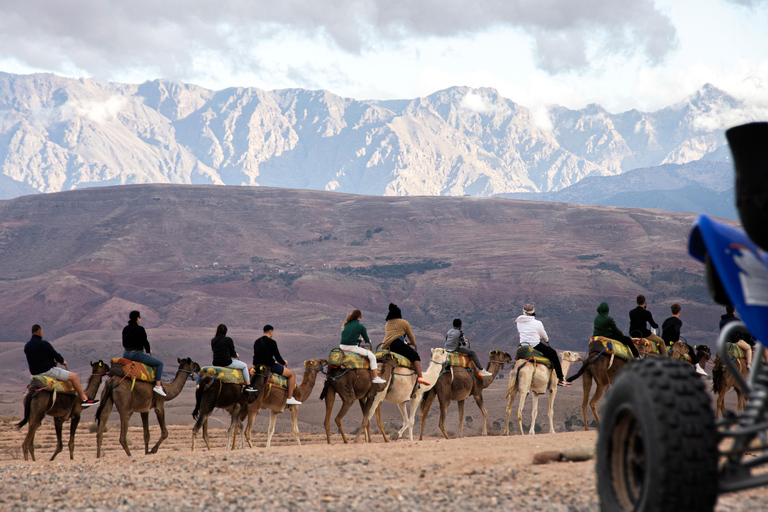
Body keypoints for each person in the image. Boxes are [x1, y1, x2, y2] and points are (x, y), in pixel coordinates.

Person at [24, 324, 98, 406]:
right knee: (74, 377)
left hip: (34, 374)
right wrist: (62, 361)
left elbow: (39, 359)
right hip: (47, 372)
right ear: (40, 332)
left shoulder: (27, 346)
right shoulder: (44, 344)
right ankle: (84, 399)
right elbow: (56, 356)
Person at [516, 305, 570, 386]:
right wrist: (546, 340)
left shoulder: (519, 321)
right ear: (533, 312)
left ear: (523, 312)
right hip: (535, 345)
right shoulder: (537, 323)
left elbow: (519, 332)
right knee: (553, 354)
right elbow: (543, 335)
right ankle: (561, 379)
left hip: (523, 345)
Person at [381, 303, 430, 386]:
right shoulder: (404, 323)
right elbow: (410, 336)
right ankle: (420, 377)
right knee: (415, 356)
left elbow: (392, 336)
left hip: (386, 346)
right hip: (397, 344)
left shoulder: (387, 324)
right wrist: (414, 344)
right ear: (399, 314)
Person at [253, 325, 301, 405]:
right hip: (269, 366)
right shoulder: (272, 342)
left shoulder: (257, 341)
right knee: (292, 374)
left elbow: (259, 355)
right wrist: (284, 362)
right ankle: (289, 398)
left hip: (257, 365)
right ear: (271, 332)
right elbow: (278, 357)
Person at [122, 310, 166, 396]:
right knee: (160, 364)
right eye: (139, 318)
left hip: (126, 354)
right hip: (137, 354)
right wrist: (148, 350)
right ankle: (157, 386)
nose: (140, 319)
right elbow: (145, 342)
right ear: (137, 318)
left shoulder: (125, 329)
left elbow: (124, 343)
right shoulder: (140, 329)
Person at [339, 310, 387, 384]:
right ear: (359, 317)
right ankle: (375, 377)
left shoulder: (347, 324)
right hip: (351, 347)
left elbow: (348, 337)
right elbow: (367, 339)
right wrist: (368, 341)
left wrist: (359, 340)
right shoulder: (361, 327)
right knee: (372, 356)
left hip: (342, 346)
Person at [211, 324, 258, 392]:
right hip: (226, 362)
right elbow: (233, 354)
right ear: (225, 332)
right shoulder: (228, 339)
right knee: (244, 366)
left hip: (215, 363)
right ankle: (248, 385)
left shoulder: (213, 340)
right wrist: (236, 355)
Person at [719, 305, 754, 370]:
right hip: (735, 341)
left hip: (724, 341)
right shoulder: (736, 321)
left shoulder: (722, 321)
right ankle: (749, 365)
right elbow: (742, 332)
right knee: (748, 348)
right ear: (734, 311)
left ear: (726, 311)